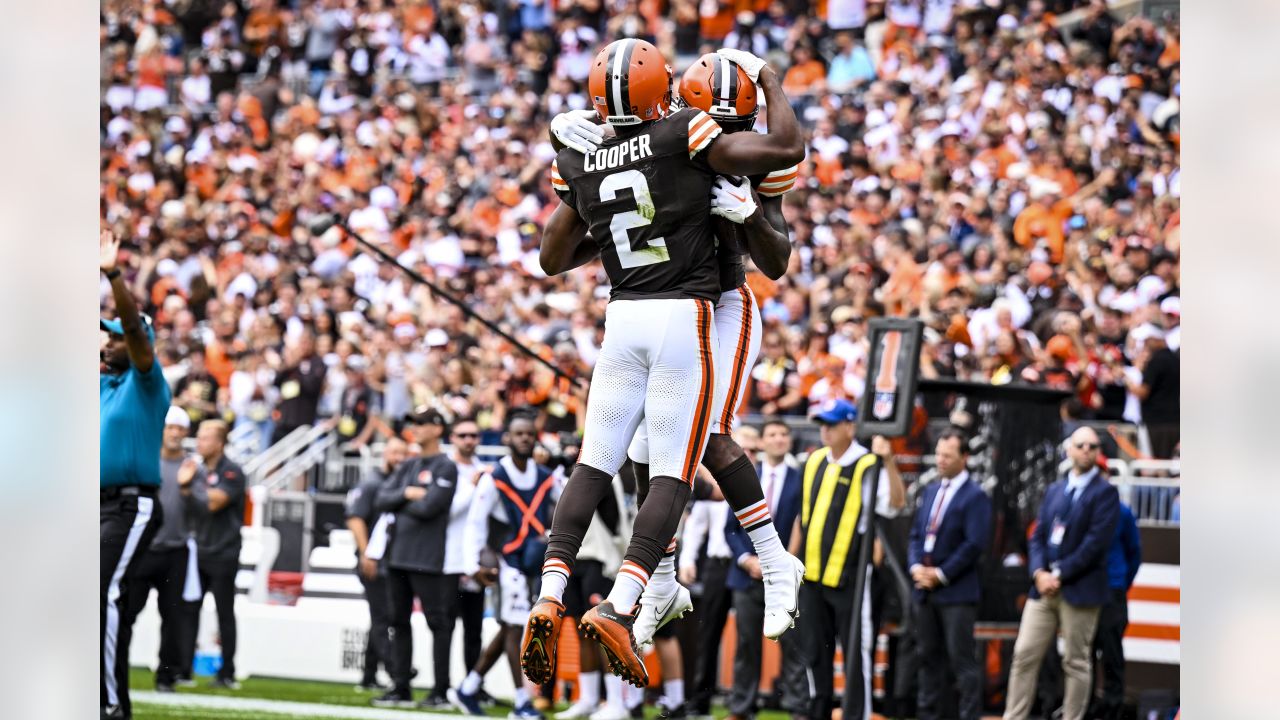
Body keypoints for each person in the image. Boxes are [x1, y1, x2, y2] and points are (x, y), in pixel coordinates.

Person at [527, 39, 804, 689]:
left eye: (738, 120)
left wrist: (749, 219)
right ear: (685, 99)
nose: (730, 129)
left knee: (682, 439)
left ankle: (758, 562)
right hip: (684, 309)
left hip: (711, 304)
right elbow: (662, 171)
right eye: (722, 117)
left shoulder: (663, 135)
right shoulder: (685, 131)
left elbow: (777, 257)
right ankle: (654, 583)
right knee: (657, 449)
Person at [797, 399, 905, 720]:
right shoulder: (815, 460)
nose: (824, 430)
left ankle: (856, 714)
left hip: (851, 577)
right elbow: (803, 517)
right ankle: (818, 710)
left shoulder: (868, 464)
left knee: (856, 651)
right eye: (822, 424)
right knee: (816, 651)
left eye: (831, 424)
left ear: (850, 427)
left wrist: (888, 461)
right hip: (813, 575)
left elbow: (895, 505)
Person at [1003, 427, 1121, 720]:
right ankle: (1013, 716)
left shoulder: (1106, 493)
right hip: (1043, 588)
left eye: (1092, 446)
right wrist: (1039, 573)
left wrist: (1059, 573)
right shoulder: (1055, 489)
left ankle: (1072, 717)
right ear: (1069, 449)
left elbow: (1095, 544)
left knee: (1077, 661)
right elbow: (1038, 535)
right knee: (1024, 655)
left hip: (1079, 589)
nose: (1086, 450)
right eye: (1080, 445)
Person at [101, 228, 171, 720]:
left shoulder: (146, 383)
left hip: (131, 503)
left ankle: (105, 705)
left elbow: (131, 329)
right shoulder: (100, 385)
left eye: (115, 336)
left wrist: (113, 276)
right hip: (94, 505)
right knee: (105, 607)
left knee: (99, 594)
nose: (106, 342)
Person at [450, 413, 559, 719]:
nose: (525, 438)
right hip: (503, 563)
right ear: (507, 439)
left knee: (512, 627)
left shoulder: (546, 477)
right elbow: (475, 524)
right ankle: (522, 701)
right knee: (515, 627)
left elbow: (564, 509)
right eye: (518, 434)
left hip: (531, 564)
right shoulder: (494, 478)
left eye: (529, 433)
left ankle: (469, 687)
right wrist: (474, 565)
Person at [372, 407, 460, 708]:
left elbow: (431, 508)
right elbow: (381, 499)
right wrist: (408, 494)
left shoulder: (446, 467)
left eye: (422, 424)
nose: (416, 429)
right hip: (398, 556)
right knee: (398, 621)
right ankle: (400, 686)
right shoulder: (409, 465)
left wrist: (402, 499)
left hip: (427, 557)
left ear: (437, 428)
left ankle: (440, 689)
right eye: (414, 424)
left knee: (439, 623)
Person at [724, 420, 808, 720]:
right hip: (747, 576)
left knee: (793, 645)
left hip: (784, 578)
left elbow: (804, 526)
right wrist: (747, 560)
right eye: (772, 434)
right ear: (762, 442)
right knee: (747, 645)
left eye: (784, 434)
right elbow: (731, 529)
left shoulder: (802, 480)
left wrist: (782, 563)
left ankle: (798, 708)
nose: (779, 439)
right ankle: (742, 708)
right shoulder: (744, 477)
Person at [907, 428, 992, 720]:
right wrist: (917, 567)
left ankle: (968, 715)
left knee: (962, 661)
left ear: (964, 457)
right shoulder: (930, 490)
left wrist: (940, 573)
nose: (941, 460)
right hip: (925, 589)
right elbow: (916, 534)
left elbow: (974, 544)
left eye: (948, 455)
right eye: (939, 454)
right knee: (927, 657)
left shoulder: (976, 496)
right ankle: (928, 714)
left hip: (957, 592)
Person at [125, 407, 204, 694]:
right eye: (170, 427)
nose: (174, 433)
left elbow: (203, 510)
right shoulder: (145, 463)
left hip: (175, 551)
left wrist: (187, 489)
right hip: (143, 549)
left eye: (179, 428)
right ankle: (115, 671)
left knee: (173, 618)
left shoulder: (193, 467)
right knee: (126, 613)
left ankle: (165, 677)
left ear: (185, 433)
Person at [182, 419, 248, 690]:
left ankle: (227, 672)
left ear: (220, 443)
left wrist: (186, 489)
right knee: (188, 611)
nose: (200, 442)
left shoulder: (232, 472)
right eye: (199, 437)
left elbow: (214, 503)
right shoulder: (195, 470)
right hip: (198, 549)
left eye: (206, 438)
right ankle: (183, 669)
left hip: (223, 552)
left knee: (224, 612)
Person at [343, 437, 409, 691]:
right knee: (383, 617)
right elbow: (355, 518)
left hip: (392, 561)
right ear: (385, 455)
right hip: (374, 560)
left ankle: (369, 674)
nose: (399, 458)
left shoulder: (399, 482)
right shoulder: (372, 482)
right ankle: (397, 670)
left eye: (403, 453)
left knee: (381, 617)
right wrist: (365, 553)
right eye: (394, 452)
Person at [680, 489, 735, 718]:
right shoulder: (717, 483)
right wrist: (687, 560)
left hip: (752, 567)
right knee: (708, 634)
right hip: (718, 563)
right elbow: (696, 525)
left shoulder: (761, 477)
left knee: (752, 636)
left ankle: (744, 704)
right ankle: (701, 701)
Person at [446, 418, 492, 695]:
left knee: (474, 629)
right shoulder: (447, 469)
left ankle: (474, 684)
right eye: (463, 435)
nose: (469, 440)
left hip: (474, 561)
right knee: (447, 627)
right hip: (450, 560)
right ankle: (443, 683)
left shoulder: (483, 470)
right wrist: (472, 488)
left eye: (474, 435)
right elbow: (446, 512)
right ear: (453, 437)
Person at [1089, 501, 1141, 720]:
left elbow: (1134, 551)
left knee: (1111, 651)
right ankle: (1086, 705)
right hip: (1086, 589)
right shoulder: (1082, 505)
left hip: (1111, 589)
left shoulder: (1121, 511)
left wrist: (1120, 583)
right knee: (1084, 652)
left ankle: (1112, 707)